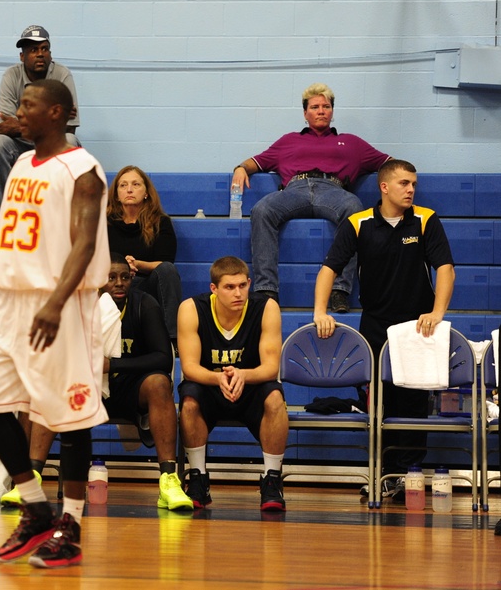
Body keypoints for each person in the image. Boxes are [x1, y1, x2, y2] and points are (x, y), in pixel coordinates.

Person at [0, 78, 109, 569]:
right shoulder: (22, 163)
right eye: (20, 103)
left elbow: (85, 243)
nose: (18, 112)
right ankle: (35, 506)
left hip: (59, 301)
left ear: (57, 114)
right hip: (8, 302)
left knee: (69, 416)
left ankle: (69, 526)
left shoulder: (83, 169)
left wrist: (55, 302)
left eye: (29, 105)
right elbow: (8, 245)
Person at [313, 158, 454, 501]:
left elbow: (445, 269)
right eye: (405, 183)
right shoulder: (358, 223)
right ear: (384, 187)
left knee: (415, 404)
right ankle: (384, 473)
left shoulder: (425, 220)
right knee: (382, 405)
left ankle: (410, 474)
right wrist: (319, 310)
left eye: (414, 184)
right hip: (375, 325)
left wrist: (437, 311)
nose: (411, 190)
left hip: (418, 327)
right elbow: (329, 268)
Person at [27, 253, 193, 511]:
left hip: (129, 388)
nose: (119, 283)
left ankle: (168, 480)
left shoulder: (144, 305)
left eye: (125, 277)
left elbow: (162, 358)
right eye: (111, 277)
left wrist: (112, 365)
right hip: (86, 388)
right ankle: (32, 478)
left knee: (160, 384)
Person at [231, 83, 390, 313]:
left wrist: (402, 177)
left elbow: (389, 164)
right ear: (305, 113)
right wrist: (240, 168)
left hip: (334, 190)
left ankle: (339, 290)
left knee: (355, 210)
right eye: (315, 107)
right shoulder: (288, 141)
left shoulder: (352, 143)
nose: (321, 111)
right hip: (294, 189)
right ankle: (267, 290)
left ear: (332, 111)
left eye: (326, 106)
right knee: (261, 210)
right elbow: (256, 162)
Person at [176, 256, 288, 511]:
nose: (238, 293)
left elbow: (271, 368)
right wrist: (217, 378)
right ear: (214, 289)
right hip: (209, 386)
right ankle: (198, 478)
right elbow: (189, 367)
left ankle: (271, 480)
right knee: (190, 401)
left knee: (275, 398)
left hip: (251, 387)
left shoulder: (266, 307)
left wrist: (243, 375)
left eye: (242, 285)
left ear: (250, 283)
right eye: (229, 287)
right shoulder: (191, 308)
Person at [0, 25, 80, 215]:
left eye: (44, 49)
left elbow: (68, 131)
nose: (39, 54)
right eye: (33, 50)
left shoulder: (62, 75)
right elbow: (3, 128)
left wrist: (23, 125)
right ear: (22, 56)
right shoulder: (11, 76)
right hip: (20, 146)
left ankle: (63, 215)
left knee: (70, 143)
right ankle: (2, 216)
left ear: (50, 54)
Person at [107, 165, 182, 346]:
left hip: (146, 285)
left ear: (146, 192)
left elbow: (165, 262)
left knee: (168, 270)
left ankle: (171, 340)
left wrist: (137, 264)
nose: (130, 189)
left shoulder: (160, 222)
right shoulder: (104, 222)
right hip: (113, 282)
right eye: (123, 185)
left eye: (136, 184)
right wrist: (122, 267)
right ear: (116, 194)